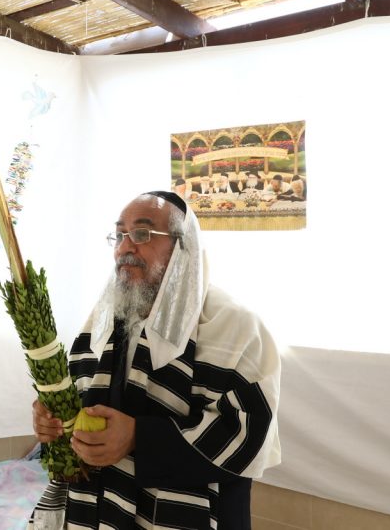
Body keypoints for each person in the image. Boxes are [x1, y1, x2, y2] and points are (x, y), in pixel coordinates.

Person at [30, 191, 280, 529]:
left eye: (142, 234)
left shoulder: (234, 327)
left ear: (183, 247)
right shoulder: (101, 324)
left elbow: (246, 432)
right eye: (119, 235)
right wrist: (53, 421)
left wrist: (138, 437)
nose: (125, 247)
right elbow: (77, 403)